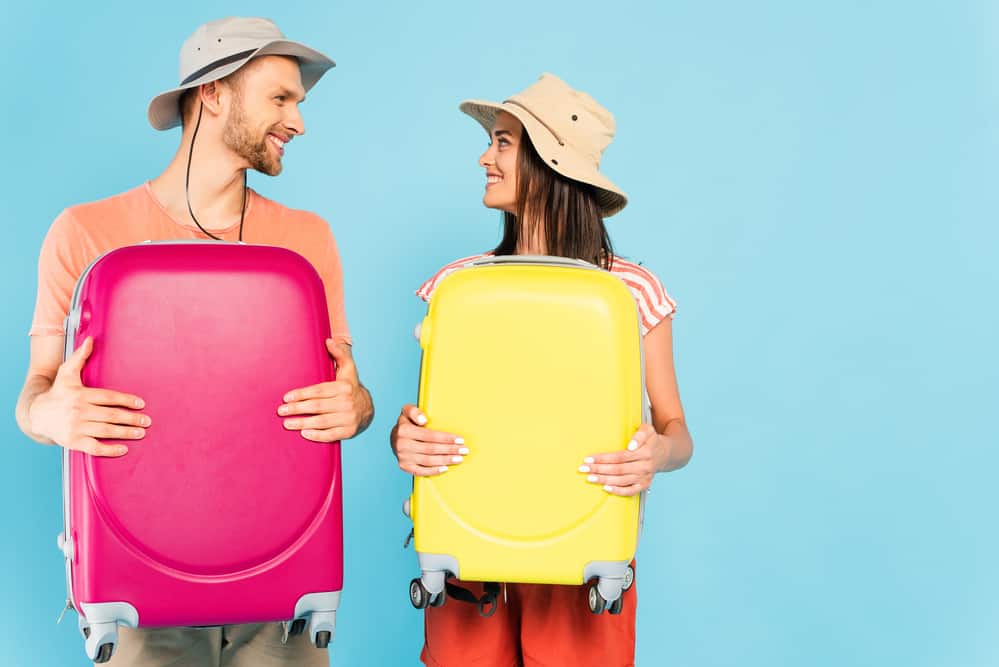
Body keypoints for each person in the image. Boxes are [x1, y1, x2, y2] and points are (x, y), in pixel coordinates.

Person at [14, 17, 373, 667]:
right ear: (212, 93)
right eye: (281, 99)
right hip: (141, 591)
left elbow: (348, 392)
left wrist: (357, 406)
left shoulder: (308, 238)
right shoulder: (86, 232)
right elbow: (34, 394)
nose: (298, 123)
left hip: (282, 594)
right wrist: (50, 412)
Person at [390, 73, 694, 667]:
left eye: (503, 142)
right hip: (467, 548)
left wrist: (656, 453)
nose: (485, 156)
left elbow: (677, 430)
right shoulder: (458, 285)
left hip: (587, 554)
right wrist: (405, 437)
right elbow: (435, 418)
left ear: (551, 163)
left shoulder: (630, 289)